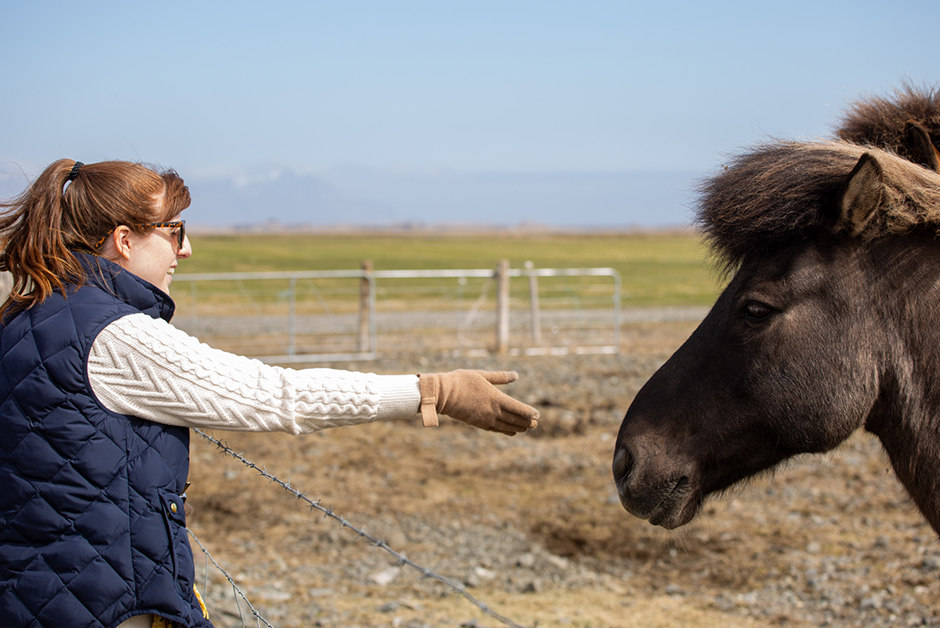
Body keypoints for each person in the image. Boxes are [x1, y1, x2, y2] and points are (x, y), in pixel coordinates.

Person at [0, 159, 540, 628]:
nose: (187, 249)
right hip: (99, 602)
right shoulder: (117, 337)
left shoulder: (24, 315)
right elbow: (274, 395)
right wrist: (433, 391)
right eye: (175, 230)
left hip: (34, 594)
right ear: (124, 239)